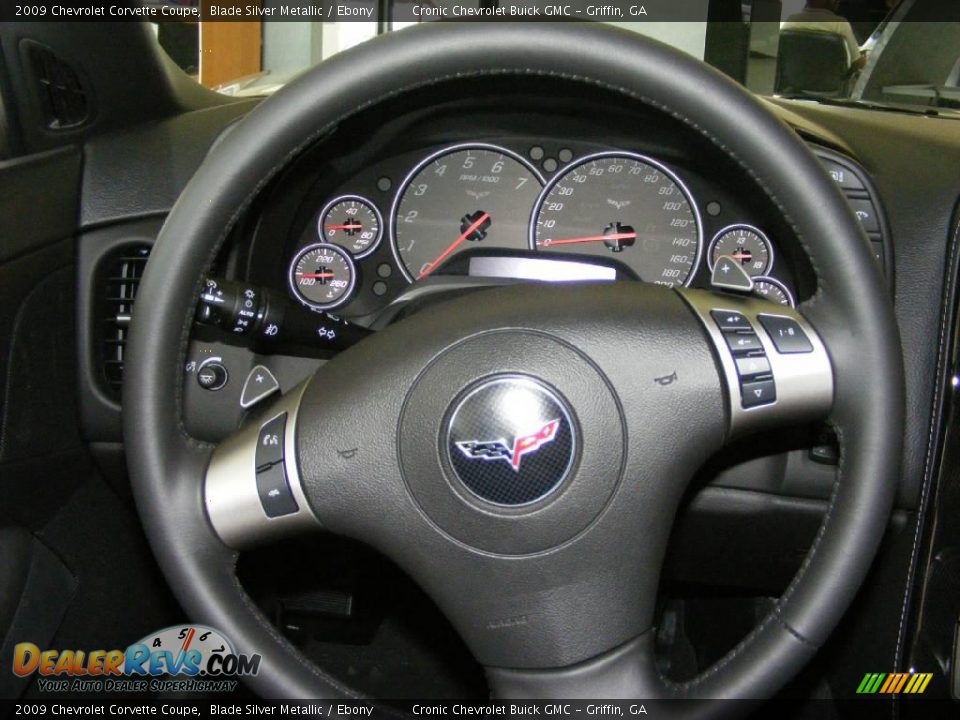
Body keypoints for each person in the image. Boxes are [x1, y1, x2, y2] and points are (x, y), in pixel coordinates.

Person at [781, 0, 866, 70]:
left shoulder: (791, 20)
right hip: (832, 87)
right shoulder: (840, 24)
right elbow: (857, 62)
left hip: (796, 84)